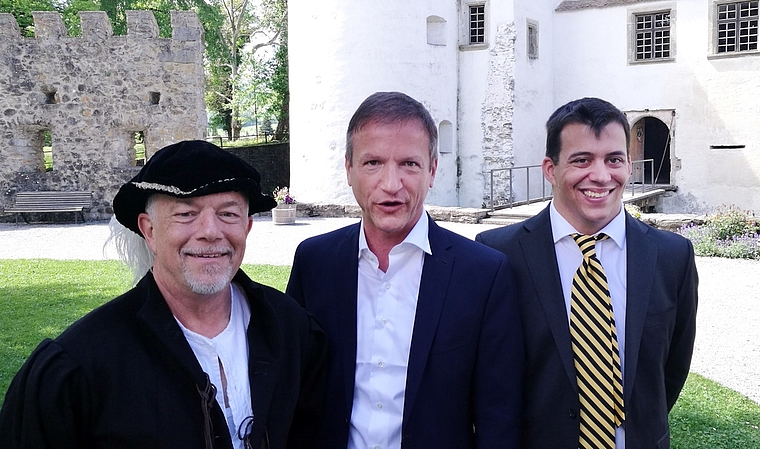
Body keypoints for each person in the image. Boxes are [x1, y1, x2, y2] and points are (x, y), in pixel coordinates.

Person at [0, 140, 327, 449]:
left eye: (228, 213)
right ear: (150, 231)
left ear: (247, 227)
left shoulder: (292, 332)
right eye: (186, 214)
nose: (210, 232)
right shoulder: (79, 368)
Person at [286, 91, 523, 449]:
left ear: (432, 170)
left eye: (409, 164)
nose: (391, 184)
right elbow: (294, 390)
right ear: (349, 169)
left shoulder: (484, 274)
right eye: (373, 163)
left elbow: (498, 416)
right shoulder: (315, 262)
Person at [476, 97, 698, 449]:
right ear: (550, 169)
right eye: (582, 160)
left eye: (614, 159)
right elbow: (487, 381)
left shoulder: (672, 257)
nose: (600, 175)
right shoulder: (496, 254)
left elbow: (671, 371)